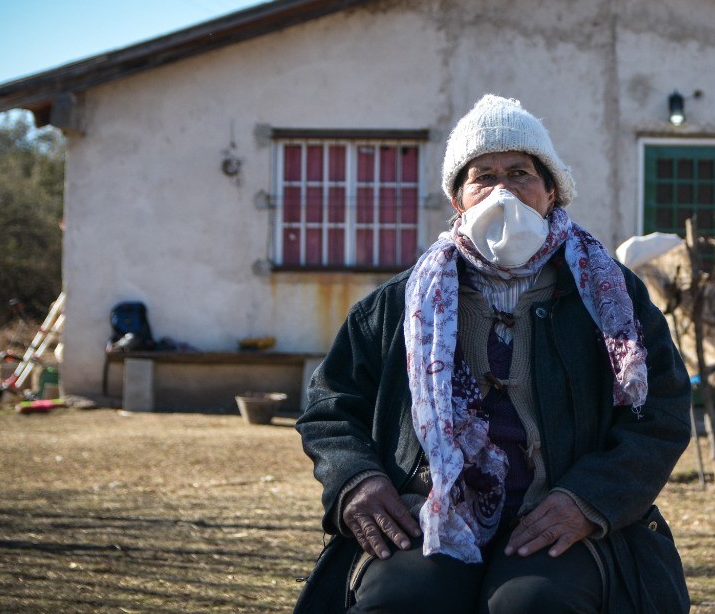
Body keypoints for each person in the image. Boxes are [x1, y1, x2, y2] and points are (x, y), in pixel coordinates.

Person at [294, 94, 692, 614]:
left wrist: (588, 500)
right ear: (459, 199)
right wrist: (356, 480)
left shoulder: (609, 297)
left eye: (521, 172)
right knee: (401, 602)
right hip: (427, 516)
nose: (503, 190)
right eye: (482, 175)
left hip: (559, 518)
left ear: (551, 193)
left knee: (533, 605)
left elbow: (659, 410)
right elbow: (330, 406)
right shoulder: (400, 303)